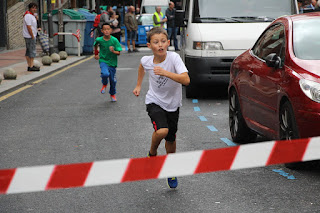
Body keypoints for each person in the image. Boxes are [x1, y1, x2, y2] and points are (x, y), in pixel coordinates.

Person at [132, 27, 190, 189]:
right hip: (154, 101)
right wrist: (138, 86)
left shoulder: (174, 58)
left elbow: (186, 80)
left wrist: (166, 73)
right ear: (149, 45)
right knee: (162, 131)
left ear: (168, 43)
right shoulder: (146, 60)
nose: (160, 45)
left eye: (163, 41)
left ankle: (170, 169)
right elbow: (141, 67)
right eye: (156, 42)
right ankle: (152, 153)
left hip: (173, 104)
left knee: (171, 139)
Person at [94, 23, 122, 102]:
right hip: (103, 60)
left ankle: (112, 94)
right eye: (104, 29)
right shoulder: (99, 40)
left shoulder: (114, 40)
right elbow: (95, 45)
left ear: (111, 30)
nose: (106, 31)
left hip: (112, 63)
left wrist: (113, 51)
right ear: (102, 31)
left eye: (108, 29)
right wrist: (96, 54)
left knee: (113, 81)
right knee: (105, 73)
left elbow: (119, 53)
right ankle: (104, 83)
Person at [23, 2, 40, 71]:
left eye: (35, 8)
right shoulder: (28, 16)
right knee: (32, 51)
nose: (34, 9)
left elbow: (33, 26)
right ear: (30, 8)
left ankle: (30, 65)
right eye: (33, 8)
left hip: (31, 35)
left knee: (28, 51)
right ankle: (31, 66)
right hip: (29, 36)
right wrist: (32, 36)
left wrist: (36, 19)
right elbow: (29, 27)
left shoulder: (31, 15)